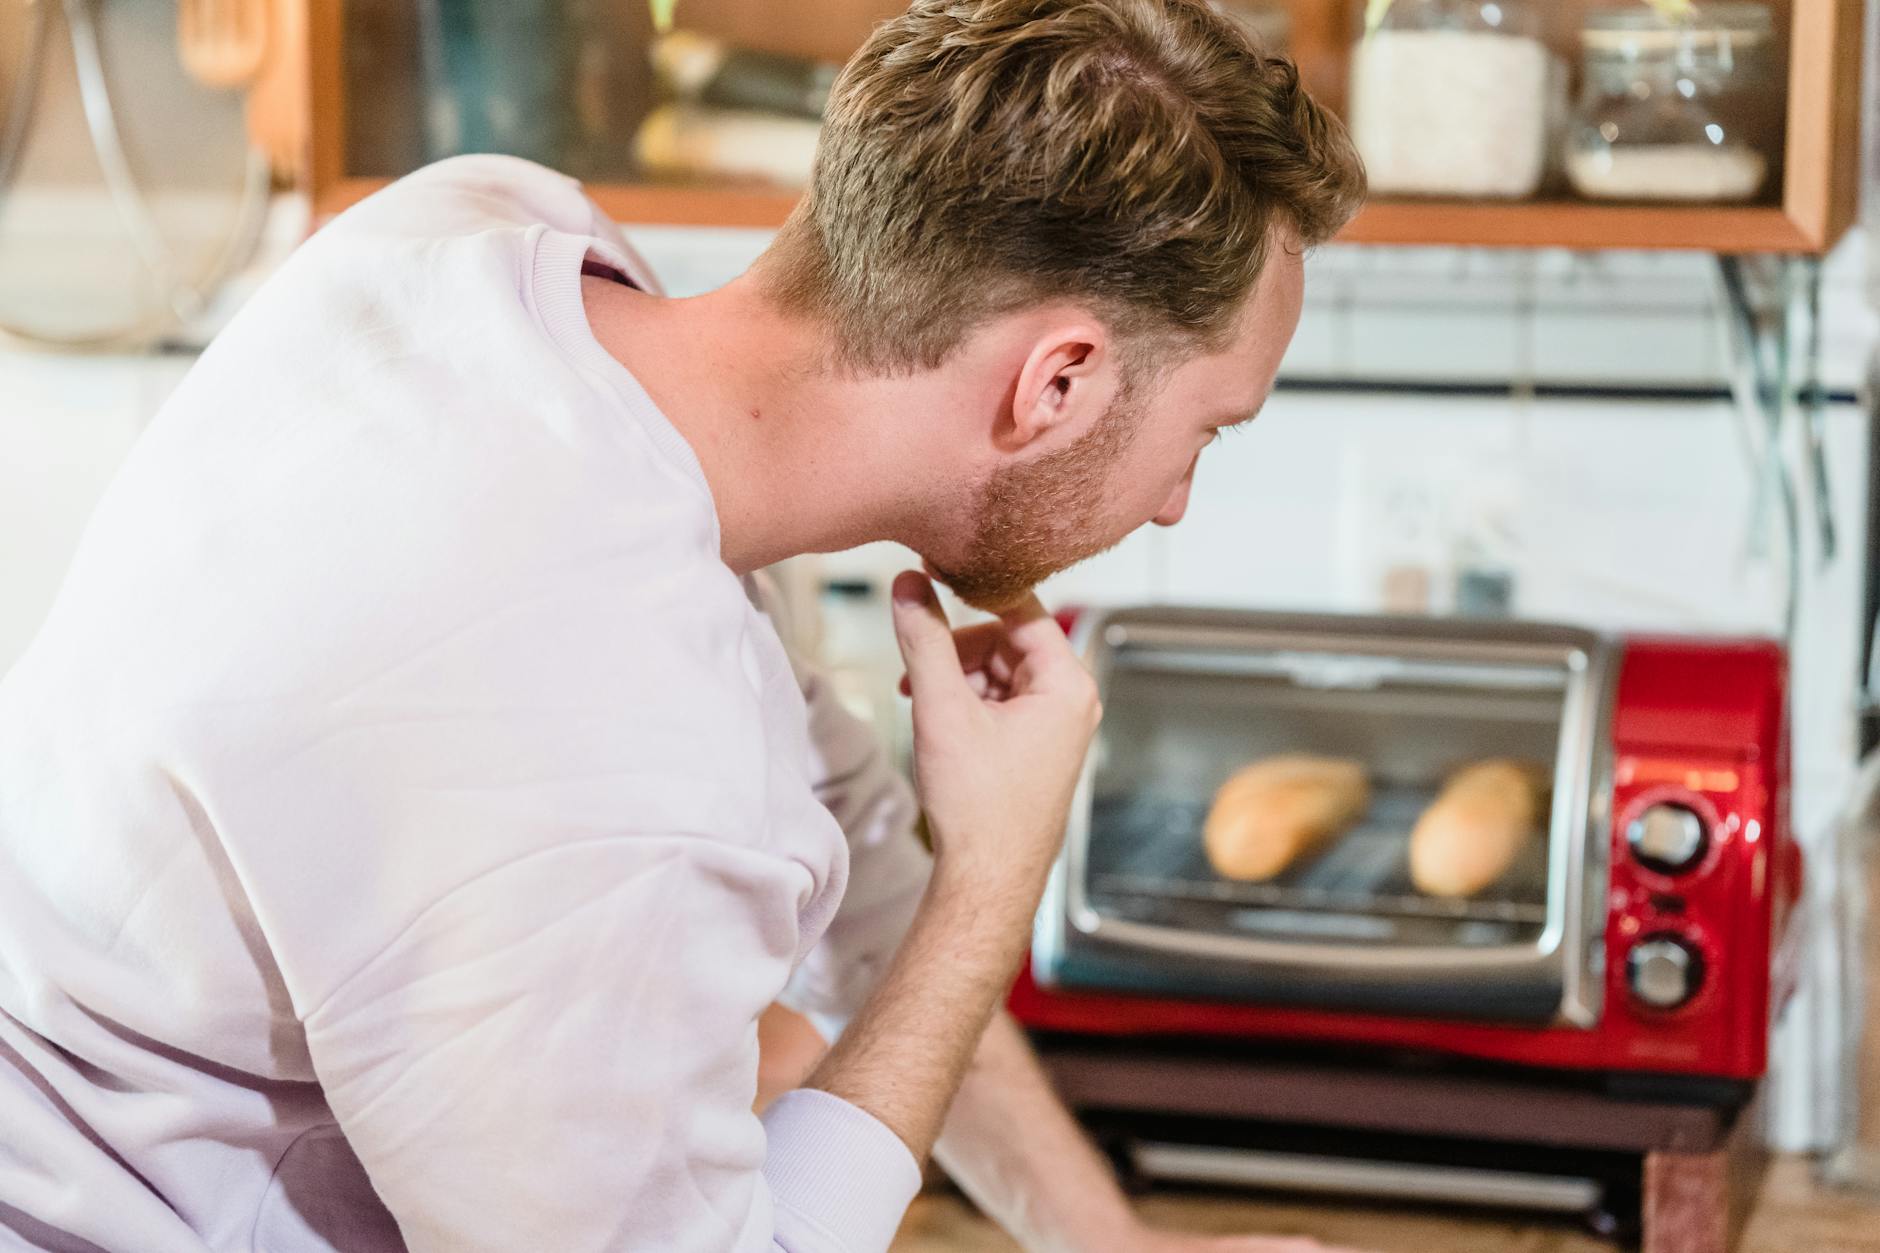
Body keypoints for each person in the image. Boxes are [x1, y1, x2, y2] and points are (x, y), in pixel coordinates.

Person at [0, 1, 1365, 1249]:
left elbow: (854, 860)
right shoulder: (594, 723)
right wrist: (992, 884)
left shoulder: (472, 237)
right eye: (1205, 430)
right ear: (1056, 383)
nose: (1180, 500)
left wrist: (1107, 1245)